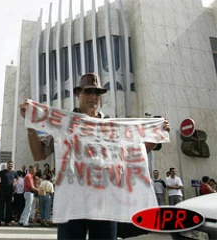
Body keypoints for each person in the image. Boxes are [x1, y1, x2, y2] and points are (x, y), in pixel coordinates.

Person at [19, 73, 171, 239]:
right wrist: (30, 125)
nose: (94, 96)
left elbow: (132, 156)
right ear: (78, 94)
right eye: (89, 91)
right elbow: (39, 154)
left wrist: (155, 137)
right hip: (73, 204)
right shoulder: (65, 124)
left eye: (97, 93)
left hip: (105, 205)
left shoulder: (111, 126)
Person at [0, 160, 18, 226]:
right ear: (7, 165)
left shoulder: (14, 173)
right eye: (9, 165)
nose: (10, 166)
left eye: (11, 165)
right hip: (2, 191)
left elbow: (18, 178)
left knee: (9, 206)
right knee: (1, 206)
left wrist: (15, 183)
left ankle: (8, 221)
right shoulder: (2, 172)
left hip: (10, 191)